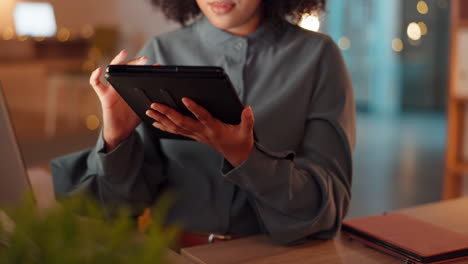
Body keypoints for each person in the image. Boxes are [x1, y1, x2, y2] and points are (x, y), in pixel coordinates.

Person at [51, 0, 356, 245]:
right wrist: (115, 139)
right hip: (172, 252)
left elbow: (327, 211)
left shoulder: (318, 56)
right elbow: (117, 208)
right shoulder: (160, 53)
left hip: (272, 256)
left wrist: (246, 157)